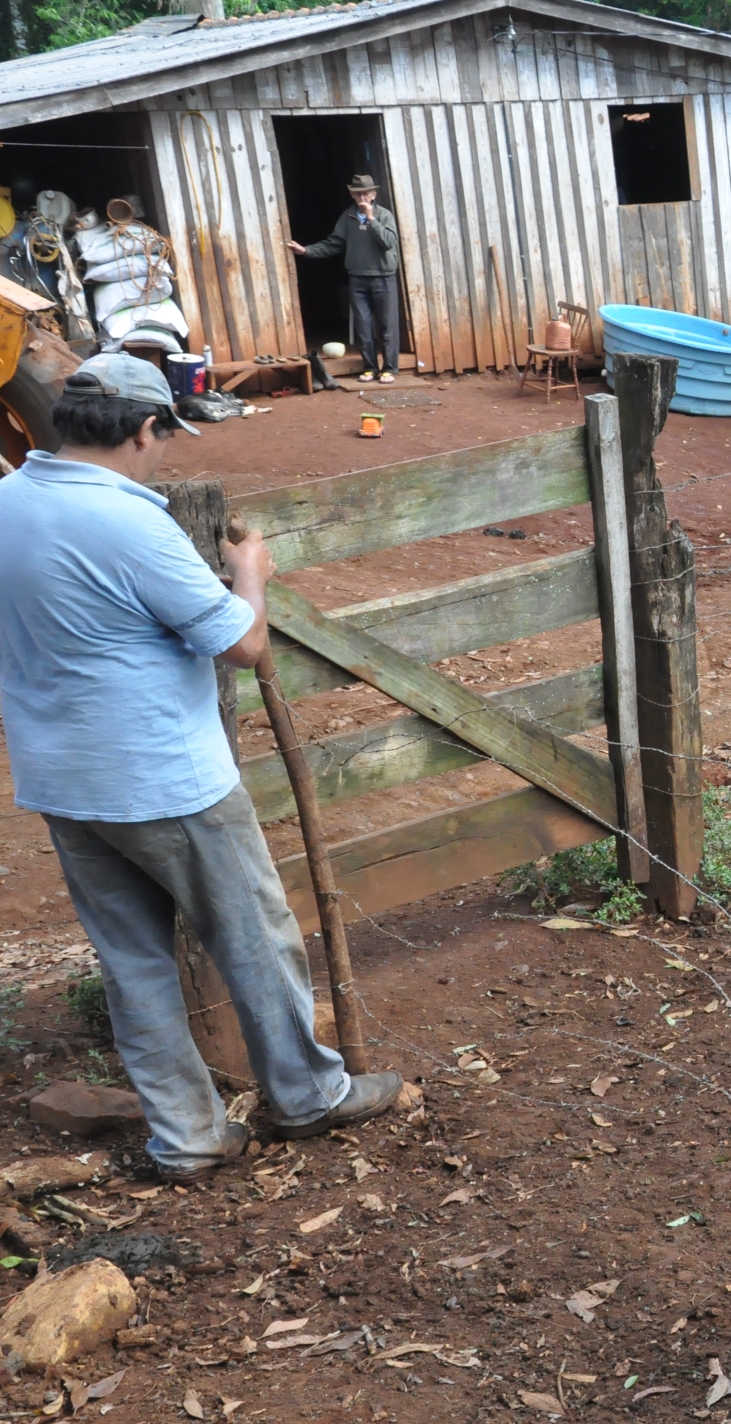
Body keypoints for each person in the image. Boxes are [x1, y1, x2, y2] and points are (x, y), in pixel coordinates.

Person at [0, 354, 401, 1183]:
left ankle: (186, 1137)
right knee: (254, 937)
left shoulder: (8, 503)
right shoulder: (134, 524)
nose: (164, 456)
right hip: (162, 775)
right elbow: (242, 643)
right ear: (145, 429)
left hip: (61, 778)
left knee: (132, 961)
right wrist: (249, 575)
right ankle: (304, 1095)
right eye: (163, 438)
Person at [286, 174, 402, 385]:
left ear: (374, 194)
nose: (362, 196)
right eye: (357, 193)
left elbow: (388, 242)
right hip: (357, 278)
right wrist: (306, 251)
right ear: (351, 194)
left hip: (383, 278)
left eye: (366, 192)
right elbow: (334, 244)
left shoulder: (384, 215)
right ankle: (369, 368)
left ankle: (390, 369)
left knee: (387, 326)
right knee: (363, 326)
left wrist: (371, 219)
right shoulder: (348, 217)